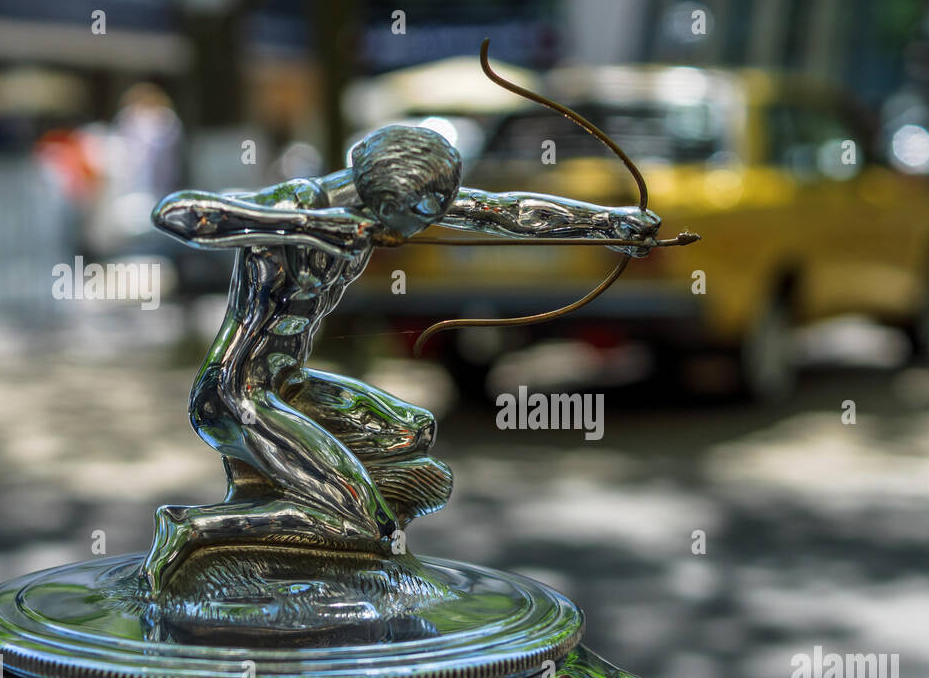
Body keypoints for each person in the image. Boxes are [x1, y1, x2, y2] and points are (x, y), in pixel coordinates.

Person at [141, 124, 661, 592]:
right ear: (385, 197)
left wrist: (608, 224)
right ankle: (196, 530)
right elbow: (179, 214)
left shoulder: (396, 208)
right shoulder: (301, 202)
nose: (419, 231)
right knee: (367, 525)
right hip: (235, 394)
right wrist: (311, 228)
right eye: (416, 219)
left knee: (415, 433)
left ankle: (303, 506)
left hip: (289, 385)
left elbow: (502, 211)